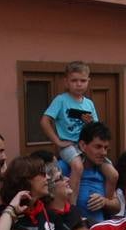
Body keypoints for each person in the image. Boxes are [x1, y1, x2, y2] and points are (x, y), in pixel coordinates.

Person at [41, 62, 98, 202]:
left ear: (88, 81)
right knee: (77, 167)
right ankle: (71, 205)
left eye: (83, 80)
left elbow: (96, 126)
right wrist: (57, 141)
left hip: (85, 145)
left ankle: (110, 204)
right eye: (74, 80)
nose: (79, 84)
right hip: (69, 145)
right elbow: (44, 120)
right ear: (66, 81)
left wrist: (89, 123)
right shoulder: (61, 100)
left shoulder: (89, 103)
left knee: (112, 173)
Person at [62, 121, 122, 227]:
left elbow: (117, 206)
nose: (104, 153)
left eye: (106, 148)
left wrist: (105, 202)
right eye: (98, 147)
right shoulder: (65, 167)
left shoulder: (105, 172)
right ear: (83, 145)